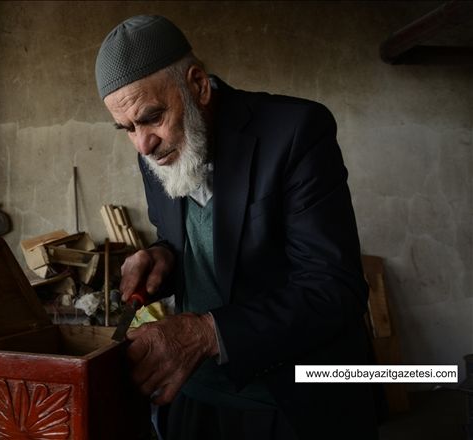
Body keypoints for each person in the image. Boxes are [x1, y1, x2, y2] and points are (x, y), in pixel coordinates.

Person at [95, 15, 378, 440]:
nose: (142, 143)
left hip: (293, 401)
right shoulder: (152, 151)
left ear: (198, 85)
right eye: (128, 129)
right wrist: (163, 256)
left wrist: (204, 332)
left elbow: (334, 288)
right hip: (194, 391)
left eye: (151, 117)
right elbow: (189, 238)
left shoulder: (296, 131)